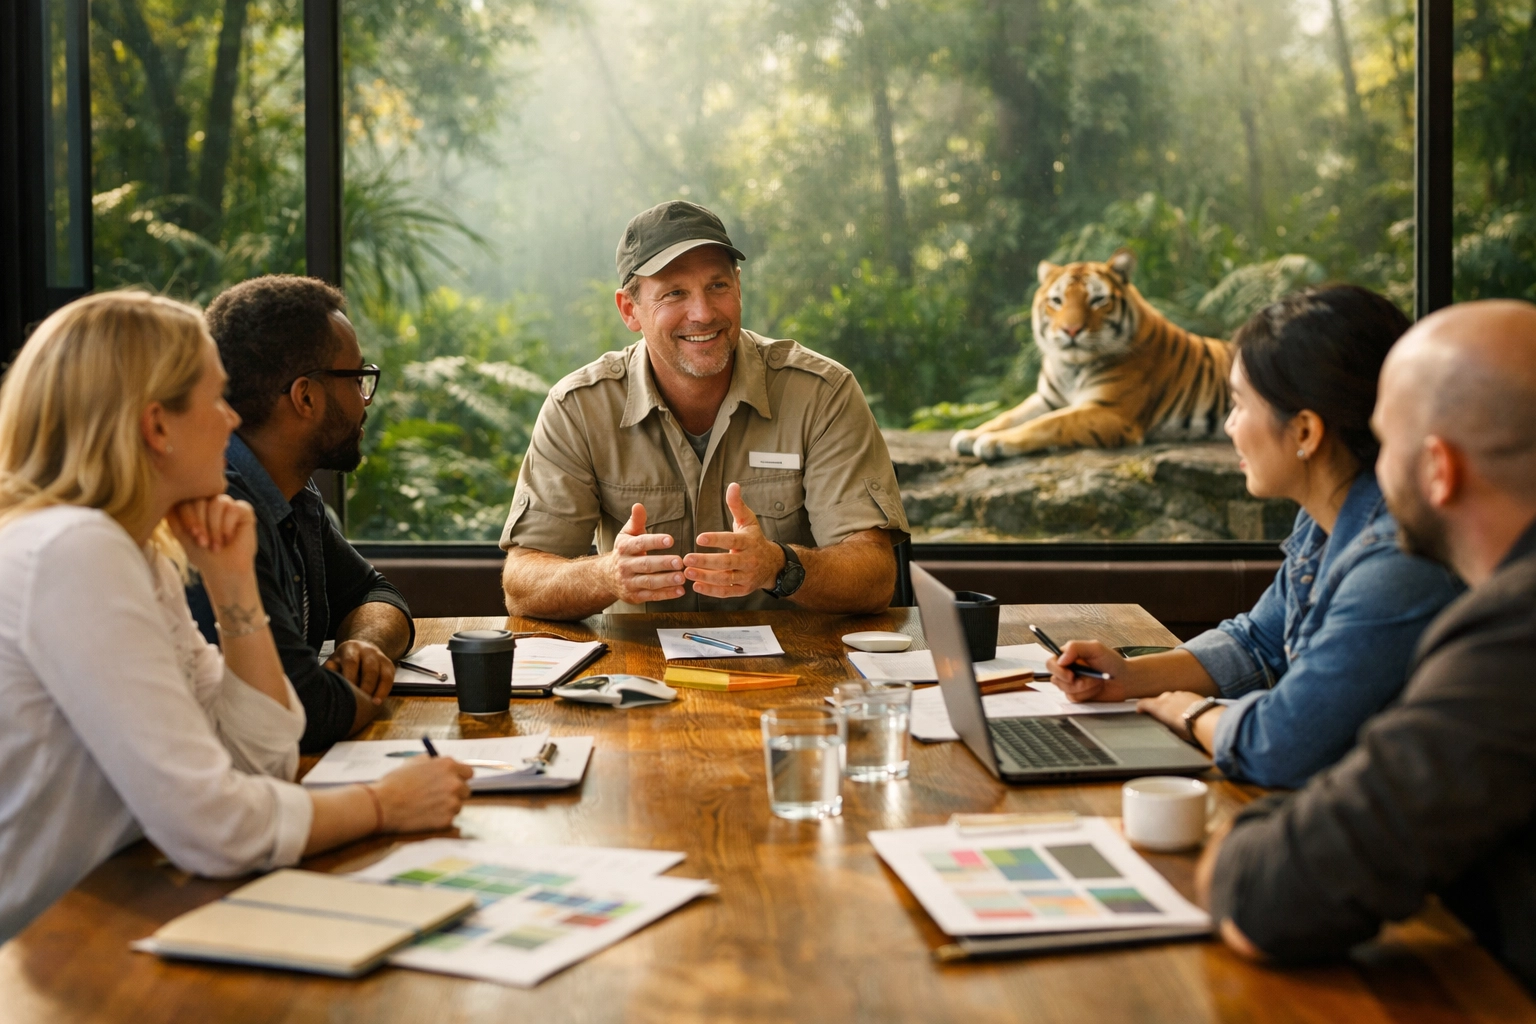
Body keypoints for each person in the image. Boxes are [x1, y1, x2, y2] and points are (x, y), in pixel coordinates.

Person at [0, 292, 472, 944]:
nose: (231, 420)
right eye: (214, 399)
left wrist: (233, 585)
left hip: (111, 909)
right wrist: (383, 804)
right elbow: (213, 825)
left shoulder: (141, 553)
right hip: (42, 944)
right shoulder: (74, 551)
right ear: (157, 427)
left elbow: (260, 761)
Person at [1197, 298, 1536, 989]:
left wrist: (1238, 840)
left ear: (1437, 469)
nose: (1372, 478)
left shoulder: (1514, 636)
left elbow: (1274, 895)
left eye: (1387, 444)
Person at [1047, 286, 1460, 788]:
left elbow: (1280, 744)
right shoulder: (1327, 517)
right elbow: (1258, 642)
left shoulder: (1394, 563)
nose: (1228, 426)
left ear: (1305, 432)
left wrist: (1190, 713)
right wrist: (1129, 677)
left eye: (1240, 405)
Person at [500, 201, 909, 619]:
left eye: (717, 286)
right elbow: (522, 584)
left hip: (794, 656)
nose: (703, 313)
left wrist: (778, 565)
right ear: (629, 309)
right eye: (674, 293)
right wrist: (606, 576)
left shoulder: (821, 394)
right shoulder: (579, 408)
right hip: (639, 656)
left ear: (738, 287)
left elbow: (875, 577)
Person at [192, 275, 411, 753]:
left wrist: (365, 647)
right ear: (305, 397)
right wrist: (363, 697)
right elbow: (306, 710)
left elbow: (376, 593)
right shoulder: (222, 512)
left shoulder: (292, 493)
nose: (366, 399)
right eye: (357, 379)